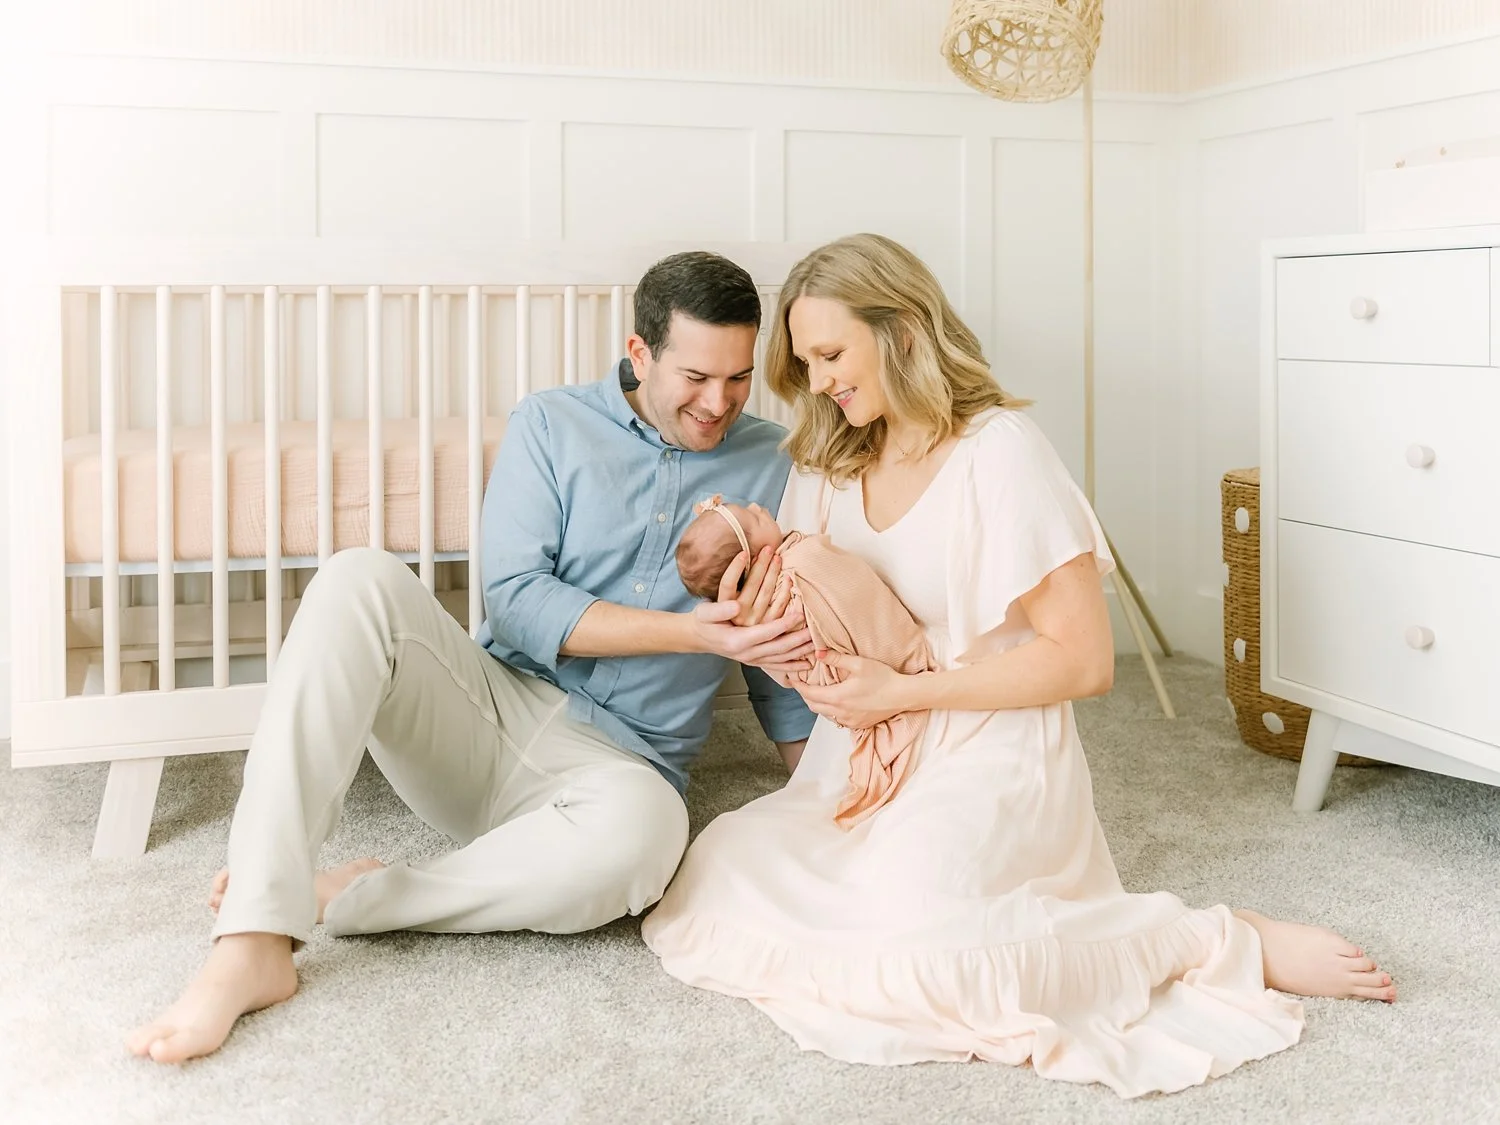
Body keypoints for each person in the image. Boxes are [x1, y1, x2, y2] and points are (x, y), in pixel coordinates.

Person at [641, 233, 1396, 1100]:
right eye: (806, 361)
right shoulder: (826, 457)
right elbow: (825, 609)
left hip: (987, 739)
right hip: (868, 746)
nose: (816, 383)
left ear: (905, 330)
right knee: (718, 878)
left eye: (830, 354)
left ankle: (1218, 938)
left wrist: (906, 689)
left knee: (930, 959)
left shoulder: (999, 452)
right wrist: (777, 633)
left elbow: (1084, 662)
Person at [126, 251, 817, 1065]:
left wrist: (821, 797)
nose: (720, 403)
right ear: (640, 354)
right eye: (698, 376)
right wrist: (692, 634)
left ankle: (358, 898)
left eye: (738, 379)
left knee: (650, 839)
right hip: (487, 712)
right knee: (357, 577)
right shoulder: (550, 423)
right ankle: (251, 934)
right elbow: (518, 604)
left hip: (622, 771)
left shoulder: (777, 462)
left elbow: (780, 661)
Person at [676, 494, 937, 827]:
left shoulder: (784, 576)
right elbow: (842, 590)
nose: (759, 508)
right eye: (754, 521)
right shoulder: (803, 562)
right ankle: (905, 665)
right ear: (752, 561)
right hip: (866, 660)